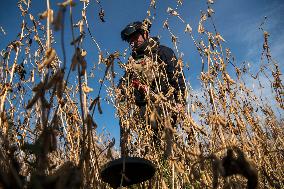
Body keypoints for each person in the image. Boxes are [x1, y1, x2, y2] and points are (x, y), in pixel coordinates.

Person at [117, 19, 186, 157]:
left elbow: (177, 77)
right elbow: (122, 87)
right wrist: (121, 93)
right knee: (150, 150)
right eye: (130, 40)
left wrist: (180, 102)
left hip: (165, 106)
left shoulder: (162, 52)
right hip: (144, 112)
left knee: (169, 148)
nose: (132, 42)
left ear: (146, 34)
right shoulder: (131, 65)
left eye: (135, 37)